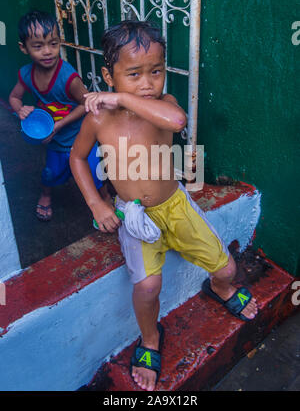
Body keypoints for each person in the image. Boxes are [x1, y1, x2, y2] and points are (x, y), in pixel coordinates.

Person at [69, 20, 258, 391]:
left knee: (228, 269)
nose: (147, 83)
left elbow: (178, 119)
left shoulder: (164, 106)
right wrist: (96, 203)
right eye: (134, 74)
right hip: (134, 215)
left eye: (155, 72)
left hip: (176, 206)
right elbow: (76, 159)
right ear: (109, 75)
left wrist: (123, 98)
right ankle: (150, 339)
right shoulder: (97, 119)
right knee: (148, 288)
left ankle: (220, 290)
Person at [9, 10, 107, 221]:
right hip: (54, 140)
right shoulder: (26, 74)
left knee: (95, 174)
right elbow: (14, 97)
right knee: (50, 173)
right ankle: (46, 195)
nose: (48, 51)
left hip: (81, 136)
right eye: (38, 46)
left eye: (53, 44)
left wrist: (59, 125)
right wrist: (20, 109)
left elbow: (85, 104)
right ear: (23, 48)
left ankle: (105, 198)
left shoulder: (68, 77)